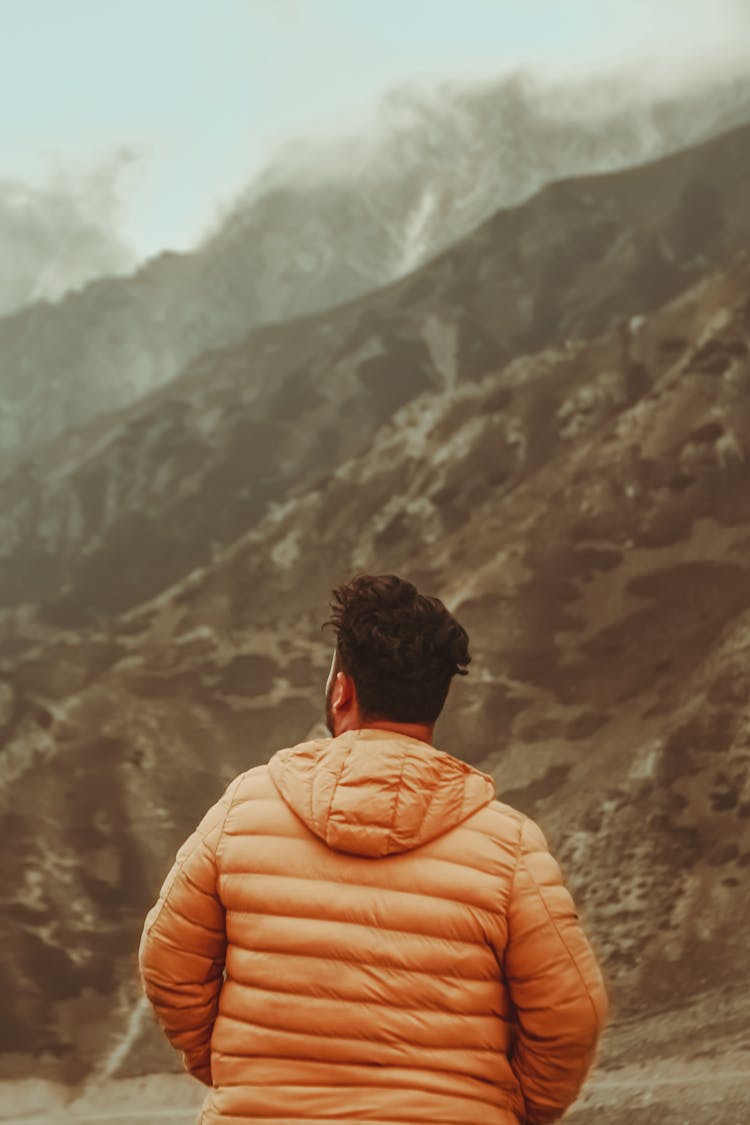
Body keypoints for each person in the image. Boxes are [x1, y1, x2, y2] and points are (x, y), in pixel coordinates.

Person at [139, 573, 608, 1124]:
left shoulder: (244, 811)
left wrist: (240, 1072)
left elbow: (167, 963)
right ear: (434, 701)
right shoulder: (508, 845)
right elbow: (573, 1013)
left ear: (342, 690)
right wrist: (509, 1109)